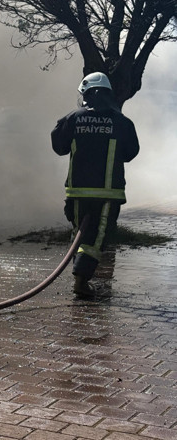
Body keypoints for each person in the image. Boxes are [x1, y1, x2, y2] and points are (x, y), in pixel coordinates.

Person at [51, 72, 139, 298]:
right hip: (108, 193)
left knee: (81, 233)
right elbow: (130, 153)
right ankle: (81, 281)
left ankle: (80, 275)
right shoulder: (122, 122)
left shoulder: (72, 118)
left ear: (85, 94)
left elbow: (59, 147)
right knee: (96, 237)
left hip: (77, 191)